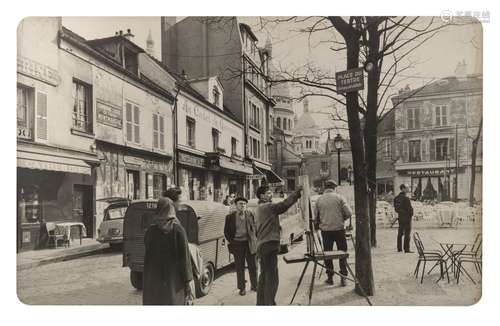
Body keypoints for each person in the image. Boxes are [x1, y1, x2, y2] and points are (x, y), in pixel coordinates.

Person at [254, 184, 302, 305]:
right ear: (262, 196)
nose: (271, 195)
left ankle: (261, 303)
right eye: (269, 193)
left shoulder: (259, 208)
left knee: (264, 276)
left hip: (262, 245)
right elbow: (284, 205)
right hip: (269, 245)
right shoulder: (267, 206)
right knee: (272, 277)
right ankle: (269, 303)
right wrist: (296, 193)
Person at [142, 197, 193, 305]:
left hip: (153, 281)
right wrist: (188, 282)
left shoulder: (150, 231)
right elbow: (185, 259)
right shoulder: (178, 231)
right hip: (173, 283)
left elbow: (147, 256)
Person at [314, 180, 352, 286]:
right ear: (334, 187)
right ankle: (343, 277)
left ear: (325, 188)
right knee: (342, 253)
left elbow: (315, 218)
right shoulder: (340, 198)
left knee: (327, 254)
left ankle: (330, 278)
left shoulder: (319, 200)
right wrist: (342, 219)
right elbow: (349, 213)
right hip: (339, 229)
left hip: (326, 231)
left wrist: (320, 224)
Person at [224, 196, 258, 296]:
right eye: (240, 204)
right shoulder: (230, 217)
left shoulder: (250, 214)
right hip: (237, 244)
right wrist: (232, 241)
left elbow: (255, 227)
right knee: (240, 267)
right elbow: (226, 232)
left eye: (244, 204)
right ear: (236, 205)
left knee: (253, 266)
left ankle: (255, 285)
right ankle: (242, 288)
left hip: (249, 243)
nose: (243, 205)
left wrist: (255, 239)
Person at [394, 184, 414, 253]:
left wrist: (401, 213)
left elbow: (396, 209)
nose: (408, 189)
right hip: (407, 218)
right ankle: (406, 249)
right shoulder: (406, 198)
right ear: (403, 189)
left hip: (400, 217)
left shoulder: (396, 198)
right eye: (407, 188)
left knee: (400, 233)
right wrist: (410, 214)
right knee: (407, 233)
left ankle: (399, 248)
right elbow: (409, 209)